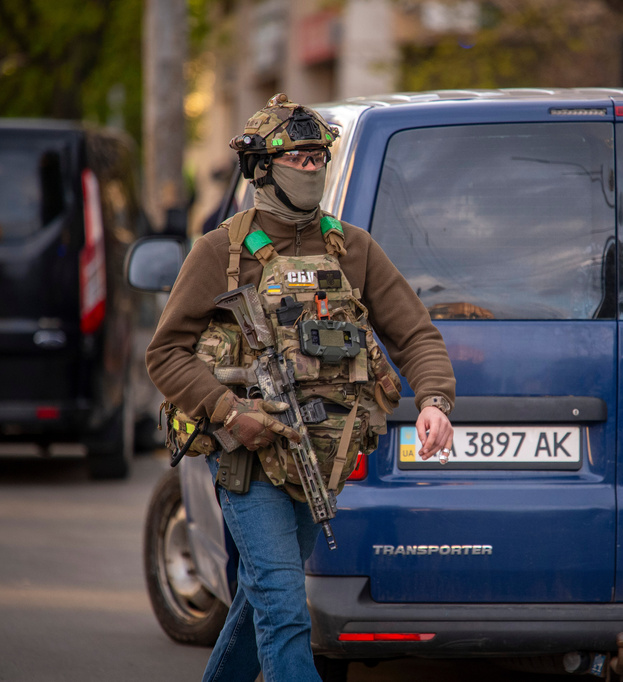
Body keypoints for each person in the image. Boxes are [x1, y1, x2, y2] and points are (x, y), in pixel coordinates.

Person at [146, 94, 456, 682]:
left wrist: (435, 401)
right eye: (299, 158)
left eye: (320, 158)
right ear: (264, 166)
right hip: (248, 462)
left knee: (258, 601)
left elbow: (416, 334)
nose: (312, 169)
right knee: (286, 612)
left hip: (321, 456)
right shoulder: (220, 253)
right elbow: (164, 353)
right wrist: (226, 410)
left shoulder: (353, 248)